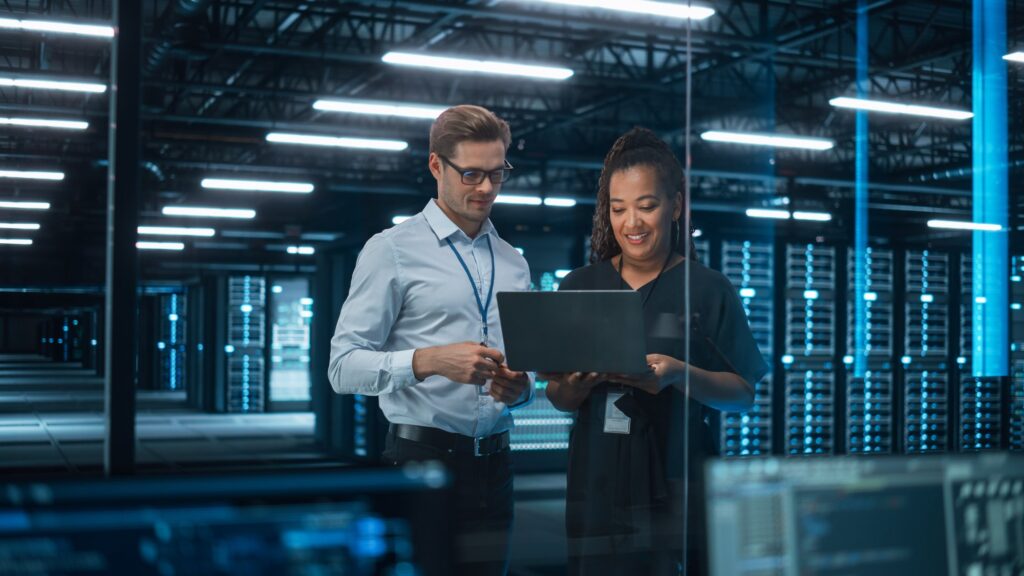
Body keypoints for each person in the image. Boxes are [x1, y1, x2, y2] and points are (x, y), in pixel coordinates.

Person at [542, 127, 768, 575]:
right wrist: (573, 385)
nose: (632, 223)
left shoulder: (708, 289)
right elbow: (558, 396)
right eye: (618, 208)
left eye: (647, 206)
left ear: (676, 206)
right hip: (597, 476)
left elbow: (743, 394)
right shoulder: (580, 286)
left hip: (677, 473)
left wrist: (679, 373)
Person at [328, 104, 533, 576]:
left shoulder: (514, 261)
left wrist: (521, 392)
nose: (486, 188)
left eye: (497, 174)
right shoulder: (392, 250)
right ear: (436, 165)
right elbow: (342, 368)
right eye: (471, 174)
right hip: (420, 461)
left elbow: (526, 372)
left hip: (497, 468)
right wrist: (429, 361)